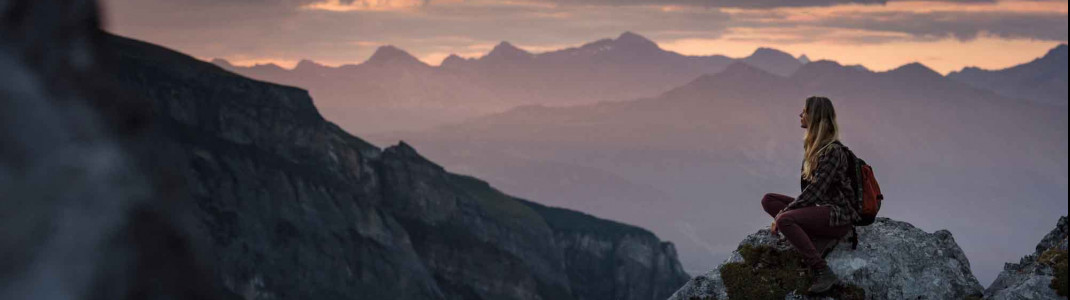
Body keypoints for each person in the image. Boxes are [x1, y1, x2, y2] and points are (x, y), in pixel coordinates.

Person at [761, 96, 861, 294]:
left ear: (814, 117)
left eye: (804, 111)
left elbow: (815, 191)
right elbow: (811, 193)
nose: (800, 115)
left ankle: (822, 271)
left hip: (838, 215)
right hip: (821, 208)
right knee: (769, 200)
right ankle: (813, 237)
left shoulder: (833, 151)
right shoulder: (814, 148)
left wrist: (784, 214)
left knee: (785, 220)